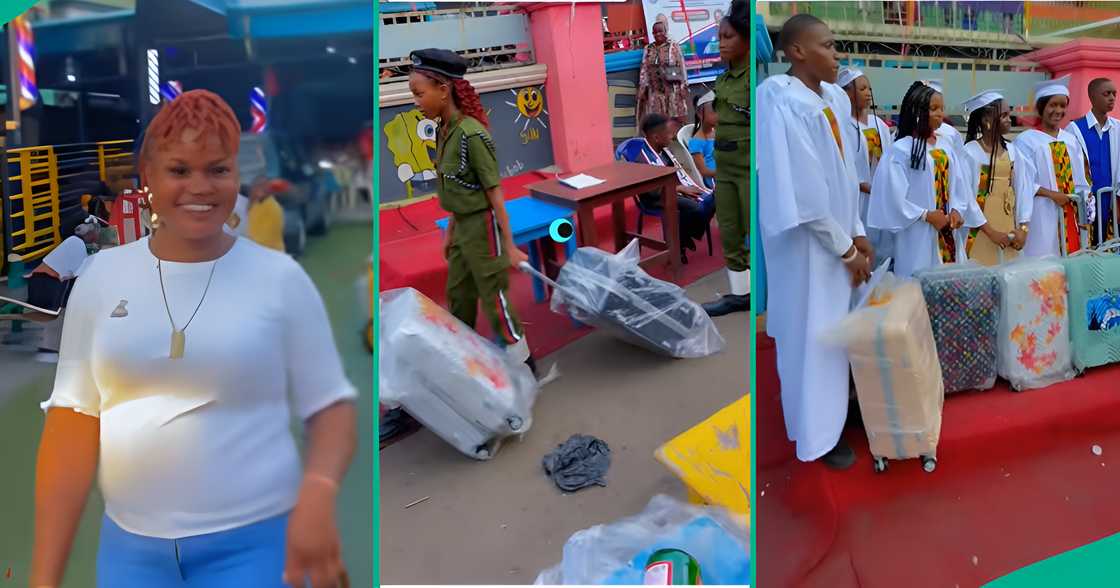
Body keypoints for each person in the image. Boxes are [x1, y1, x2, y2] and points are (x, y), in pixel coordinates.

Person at [31, 90, 358, 588]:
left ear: (235, 175)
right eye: (179, 170)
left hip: (259, 546)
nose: (199, 187)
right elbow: (73, 421)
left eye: (218, 169)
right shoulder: (101, 278)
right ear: (148, 177)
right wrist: (44, 578)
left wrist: (317, 491)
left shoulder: (280, 279)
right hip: (130, 554)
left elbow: (330, 405)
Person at [757, 13, 871, 470]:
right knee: (813, 335)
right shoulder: (778, 99)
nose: (836, 54)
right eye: (827, 46)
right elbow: (804, 193)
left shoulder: (834, 102)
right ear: (797, 51)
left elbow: (847, 176)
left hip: (841, 242)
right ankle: (817, 435)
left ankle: (841, 412)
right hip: (810, 250)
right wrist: (844, 249)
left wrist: (858, 233)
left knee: (841, 333)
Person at [407, 48, 536, 375]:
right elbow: (459, 188)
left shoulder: (471, 135)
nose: (416, 101)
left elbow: (494, 194)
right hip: (463, 226)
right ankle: (463, 363)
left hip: (483, 226)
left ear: (443, 89)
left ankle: (523, 366)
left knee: (494, 299)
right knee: (458, 294)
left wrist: (509, 247)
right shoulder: (442, 130)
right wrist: (450, 232)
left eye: (419, 93)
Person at [868, 81, 981, 278]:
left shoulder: (945, 146)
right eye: (934, 108)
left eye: (942, 109)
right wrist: (926, 215)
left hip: (948, 231)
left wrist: (956, 209)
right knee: (918, 283)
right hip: (917, 232)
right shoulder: (901, 150)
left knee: (948, 282)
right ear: (917, 111)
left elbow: (959, 186)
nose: (940, 114)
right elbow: (894, 197)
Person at [702, 0, 752, 317]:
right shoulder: (722, 80)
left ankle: (768, 292)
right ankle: (739, 295)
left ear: (746, 39)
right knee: (731, 233)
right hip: (725, 171)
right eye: (719, 37)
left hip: (748, 170)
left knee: (755, 233)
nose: (721, 43)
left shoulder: (752, 79)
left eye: (728, 36)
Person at [618, 113, 716, 262]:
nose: (672, 137)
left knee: (713, 198)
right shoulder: (640, 155)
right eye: (669, 134)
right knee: (695, 207)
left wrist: (682, 187)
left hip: (672, 190)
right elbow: (647, 189)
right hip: (655, 197)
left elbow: (674, 174)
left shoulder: (664, 151)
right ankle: (680, 243)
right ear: (657, 137)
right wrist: (679, 189)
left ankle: (683, 237)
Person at [1013, 75, 1092, 257]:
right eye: (1052, 105)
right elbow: (1022, 182)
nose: (1058, 110)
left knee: (1070, 261)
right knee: (1042, 263)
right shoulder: (1026, 141)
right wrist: (1052, 195)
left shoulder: (1070, 140)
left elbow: (1081, 182)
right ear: (1041, 108)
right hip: (1040, 212)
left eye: (1062, 106)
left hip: (1070, 214)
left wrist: (1085, 214)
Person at [961, 90, 1037, 266]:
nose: (1009, 119)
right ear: (986, 120)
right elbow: (967, 199)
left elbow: (1024, 192)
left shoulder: (1012, 151)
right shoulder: (970, 153)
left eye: (1009, 114)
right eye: (1003, 115)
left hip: (1009, 230)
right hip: (981, 231)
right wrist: (991, 233)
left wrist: (1023, 229)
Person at [838, 67, 895, 267]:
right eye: (862, 88)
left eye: (869, 88)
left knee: (884, 248)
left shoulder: (879, 124)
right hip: (858, 198)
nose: (868, 92)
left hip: (879, 197)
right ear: (847, 92)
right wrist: (861, 185)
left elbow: (889, 160)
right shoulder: (842, 125)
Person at [1065, 77, 1119, 245]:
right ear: (1092, 97)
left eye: (1114, 94)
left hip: (1112, 199)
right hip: (1087, 200)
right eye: (1106, 94)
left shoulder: (1117, 127)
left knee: (1111, 249)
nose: (1112, 98)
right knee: (1088, 247)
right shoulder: (1074, 129)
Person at [638, 20, 691, 125]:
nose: (658, 34)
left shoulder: (673, 46)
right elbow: (644, 68)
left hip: (672, 87)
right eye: (655, 32)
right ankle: (664, 136)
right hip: (655, 88)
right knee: (658, 118)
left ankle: (677, 135)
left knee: (676, 114)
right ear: (652, 33)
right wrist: (642, 87)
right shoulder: (648, 49)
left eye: (660, 31)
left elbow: (681, 65)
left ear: (665, 31)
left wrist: (684, 84)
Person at [246, 176, 288, 253]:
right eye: (257, 186)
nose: (259, 190)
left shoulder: (274, 208)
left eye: (263, 186)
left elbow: (267, 238)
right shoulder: (255, 206)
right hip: (257, 251)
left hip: (271, 253)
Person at [689, 91, 718, 190]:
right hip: (715, 180)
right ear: (700, 114)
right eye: (714, 112)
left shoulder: (718, 132)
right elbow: (704, 171)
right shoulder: (696, 142)